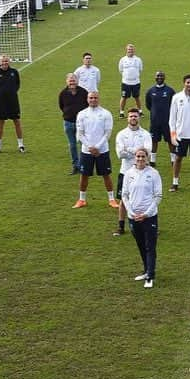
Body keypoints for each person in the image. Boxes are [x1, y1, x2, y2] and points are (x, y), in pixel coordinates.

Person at [121, 148, 162, 289]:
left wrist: (147, 213)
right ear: (134, 158)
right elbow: (124, 195)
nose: (140, 159)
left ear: (147, 158)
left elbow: (158, 196)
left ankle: (150, 276)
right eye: (138, 156)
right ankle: (146, 271)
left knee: (150, 246)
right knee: (141, 245)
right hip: (133, 217)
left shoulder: (154, 174)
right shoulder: (128, 174)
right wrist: (131, 212)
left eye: (143, 156)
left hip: (149, 217)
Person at [73, 91, 117, 209]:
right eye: (91, 98)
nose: (93, 100)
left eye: (95, 98)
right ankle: (82, 199)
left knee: (106, 174)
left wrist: (97, 147)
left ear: (99, 99)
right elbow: (80, 133)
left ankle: (111, 199)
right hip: (86, 151)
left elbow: (108, 133)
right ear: (87, 99)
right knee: (84, 175)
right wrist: (90, 147)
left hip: (102, 150)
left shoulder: (106, 113)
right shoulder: (82, 114)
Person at [113, 109, 153, 237]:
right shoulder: (121, 134)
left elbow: (147, 151)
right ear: (127, 118)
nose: (133, 118)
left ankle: (149, 225)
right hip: (125, 172)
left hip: (143, 172)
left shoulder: (146, 134)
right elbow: (120, 154)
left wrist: (129, 150)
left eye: (135, 116)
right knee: (124, 200)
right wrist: (138, 152)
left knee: (146, 198)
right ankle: (121, 226)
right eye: (131, 116)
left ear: (139, 118)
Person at [0, 55, 24, 154]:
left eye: (6, 61)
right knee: (0, 123)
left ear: (9, 62)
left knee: (16, 121)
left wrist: (11, 93)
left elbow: (17, 84)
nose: (5, 63)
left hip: (13, 101)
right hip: (1, 102)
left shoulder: (14, 72)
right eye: (3, 61)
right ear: (0, 62)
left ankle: (21, 145)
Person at [56, 73, 89, 175]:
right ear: (67, 82)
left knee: (84, 144)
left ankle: (85, 165)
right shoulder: (62, 93)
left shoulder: (84, 92)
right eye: (70, 81)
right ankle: (76, 166)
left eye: (74, 80)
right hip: (68, 123)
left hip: (82, 124)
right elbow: (61, 106)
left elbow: (88, 106)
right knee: (72, 145)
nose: (72, 82)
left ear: (77, 81)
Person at [144, 71, 175, 165]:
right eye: (157, 76)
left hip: (168, 121)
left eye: (161, 76)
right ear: (155, 77)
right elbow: (148, 105)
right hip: (155, 121)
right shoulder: (150, 91)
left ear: (164, 77)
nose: (159, 77)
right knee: (154, 140)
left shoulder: (170, 91)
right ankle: (153, 160)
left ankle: (173, 159)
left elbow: (174, 105)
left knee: (170, 141)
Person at [117, 43, 144, 117]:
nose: (130, 51)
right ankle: (121, 112)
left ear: (134, 50)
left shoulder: (138, 60)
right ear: (126, 50)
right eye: (129, 49)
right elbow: (120, 70)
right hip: (126, 82)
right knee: (124, 97)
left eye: (132, 49)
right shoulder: (122, 60)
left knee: (137, 97)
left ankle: (140, 111)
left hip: (136, 82)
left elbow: (140, 69)